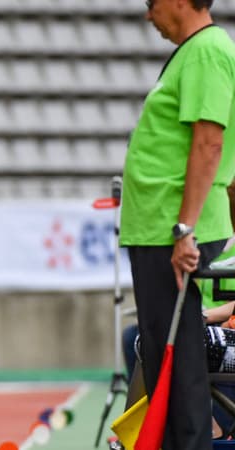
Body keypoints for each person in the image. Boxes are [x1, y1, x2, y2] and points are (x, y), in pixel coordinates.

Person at [119, 0, 235, 447]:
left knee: (179, 362)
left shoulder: (206, 51)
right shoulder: (196, 51)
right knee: (161, 353)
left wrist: (185, 228)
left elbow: (209, 142)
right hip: (161, 229)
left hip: (172, 230)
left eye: (152, 3)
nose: (149, 14)